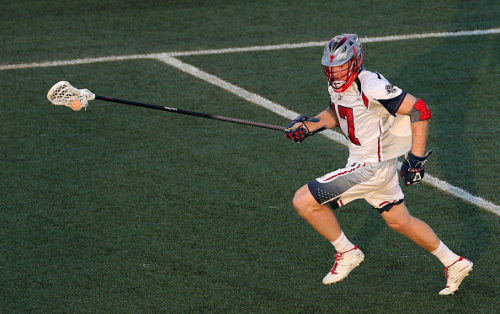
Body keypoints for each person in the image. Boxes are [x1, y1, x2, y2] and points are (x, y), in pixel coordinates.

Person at [284, 33, 472, 295]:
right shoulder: (339, 86)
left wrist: (416, 160)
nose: (336, 72)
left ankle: (347, 252)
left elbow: (420, 110)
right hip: (371, 166)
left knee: (303, 201)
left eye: (341, 66)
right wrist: (308, 125)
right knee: (400, 221)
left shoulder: (370, 86)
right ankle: (454, 261)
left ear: (355, 61)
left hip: (369, 169)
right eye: (331, 67)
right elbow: (338, 114)